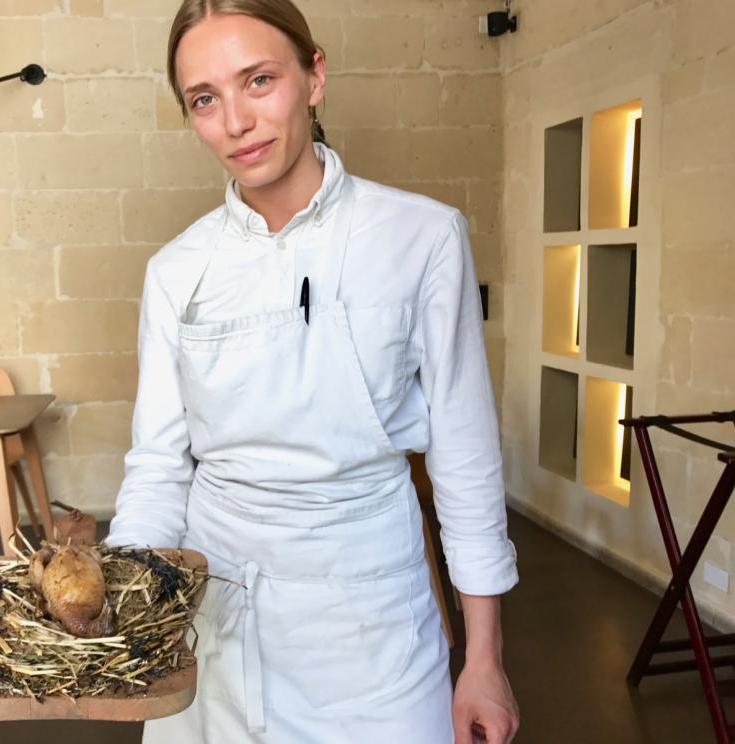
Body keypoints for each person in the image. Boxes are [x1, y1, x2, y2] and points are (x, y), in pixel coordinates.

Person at [106, 1, 520, 741]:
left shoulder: (422, 239)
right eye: (205, 99)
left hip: (371, 626)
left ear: (314, 76)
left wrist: (484, 657)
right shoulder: (176, 271)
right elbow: (159, 466)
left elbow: (465, 455)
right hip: (215, 616)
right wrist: (127, 613)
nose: (235, 121)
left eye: (258, 80)